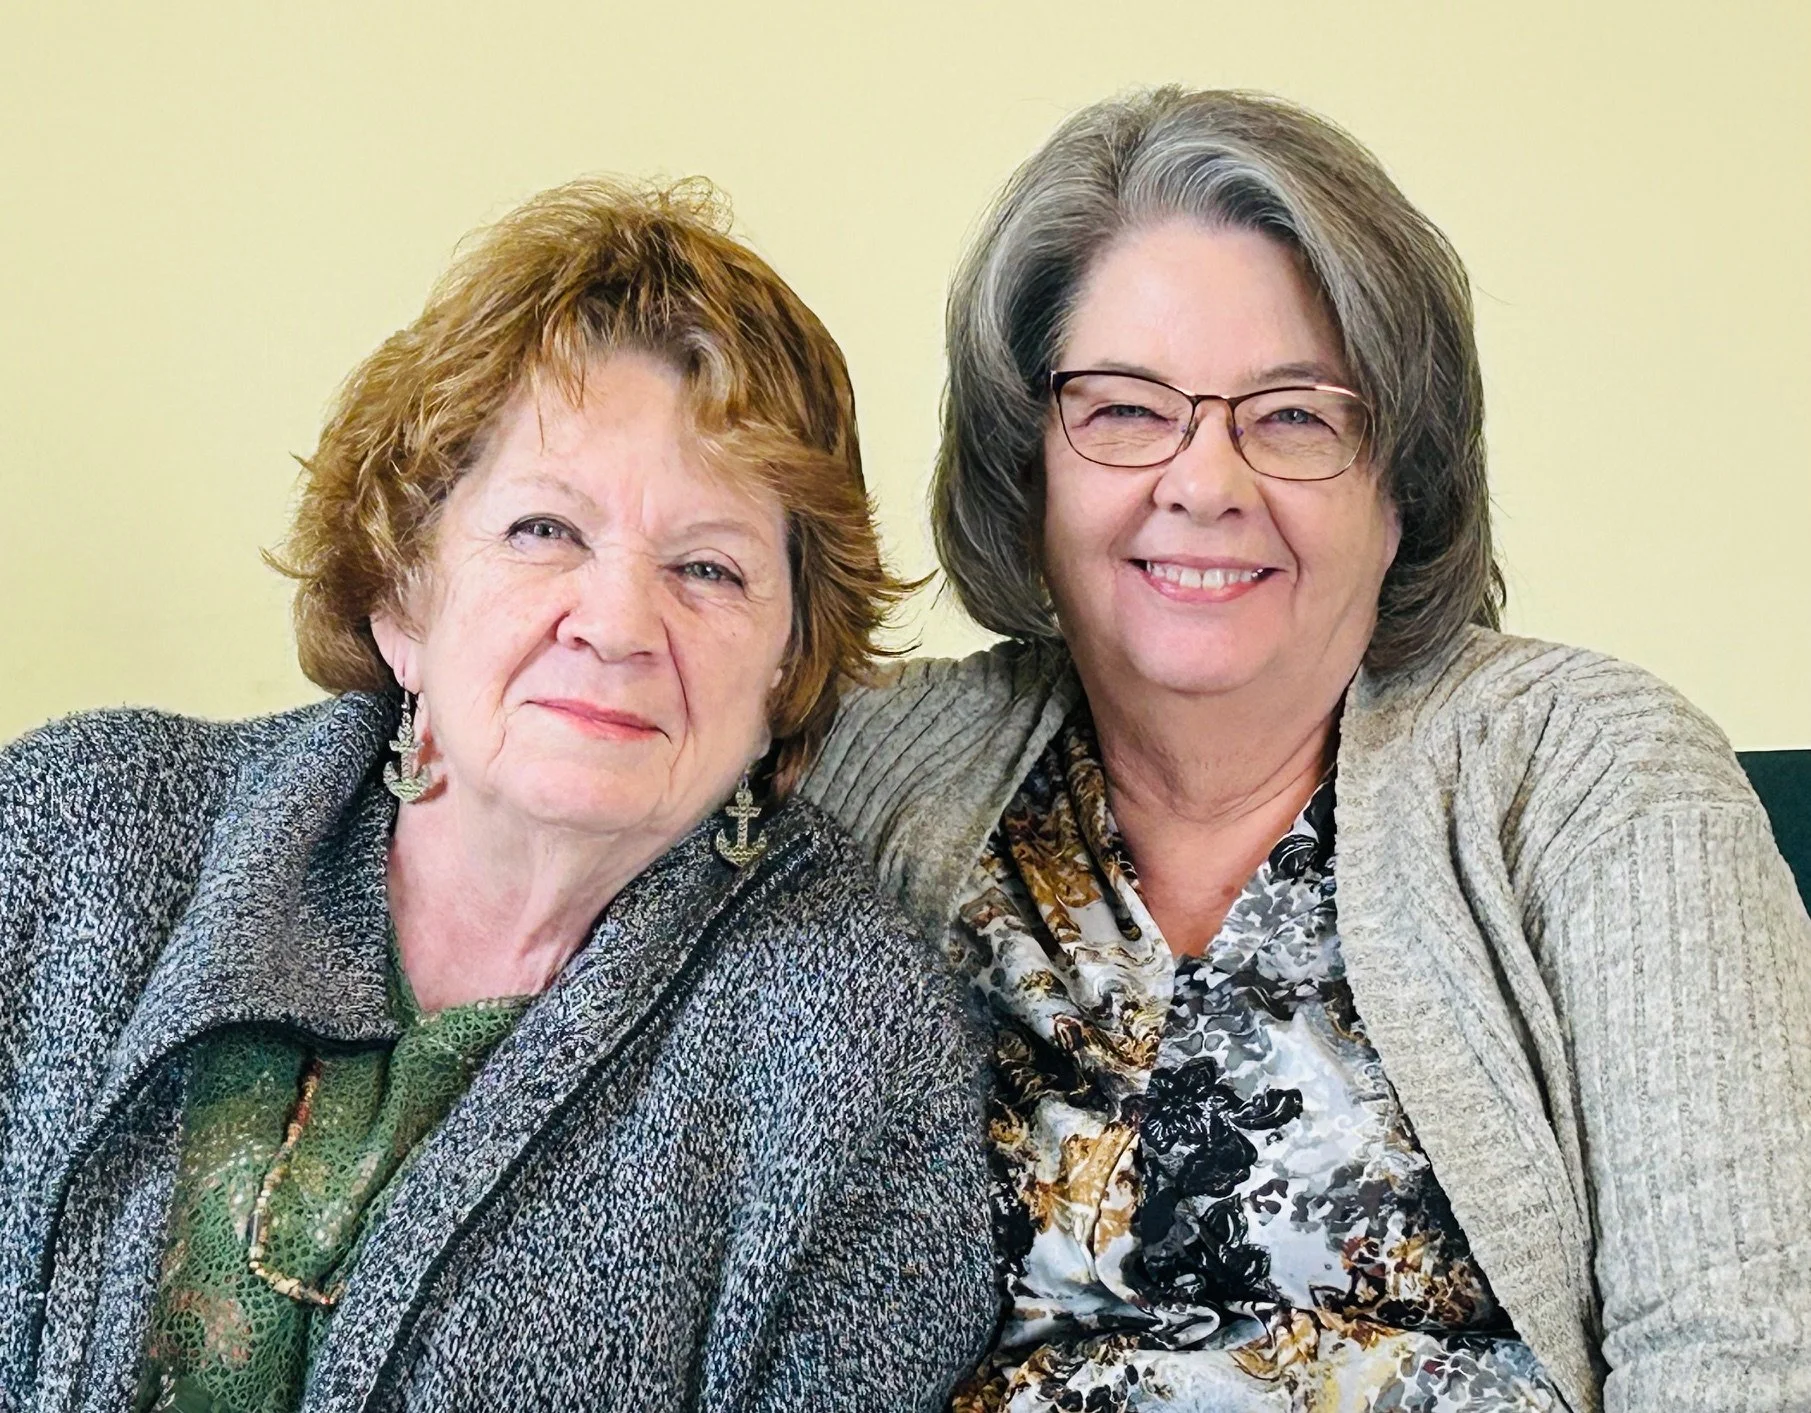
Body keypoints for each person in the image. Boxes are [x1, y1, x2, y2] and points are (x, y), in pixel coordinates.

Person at [801, 88, 1811, 1413]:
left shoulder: (1587, 774)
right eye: (1123, 409)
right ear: (1025, 465)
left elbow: (1744, 1346)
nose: (1204, 483)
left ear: (1400, 488)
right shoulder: (863, 778)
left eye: (1293, 417)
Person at [0, 178, 997, 1412]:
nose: (617, 623)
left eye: (707, 567)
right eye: (543, 531)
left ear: (788, 669)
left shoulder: (853, 1039)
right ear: (401, 594)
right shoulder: (72, 837)